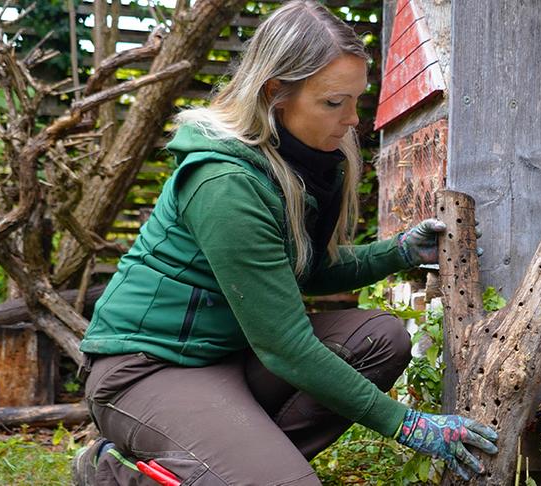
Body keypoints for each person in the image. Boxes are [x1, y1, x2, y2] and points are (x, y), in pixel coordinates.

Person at [70, 1, 497, 485]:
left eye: (356, 100)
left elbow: (307, 271)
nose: (352, 119)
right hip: (148, 369)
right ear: (276, 94)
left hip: (233, 356)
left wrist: (398, 253)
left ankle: (216, 466)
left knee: (380, 338)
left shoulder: (304, 162)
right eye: (334, 103)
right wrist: (409, 425)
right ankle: (117, 473)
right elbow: (286, 346)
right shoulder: (224, 182)